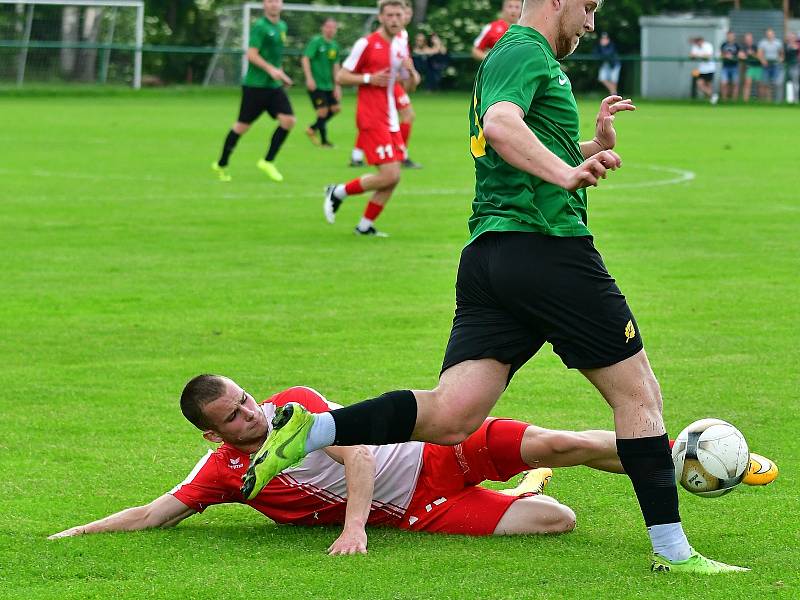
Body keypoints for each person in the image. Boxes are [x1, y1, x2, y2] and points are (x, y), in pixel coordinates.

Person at [245, 0, 752, 575]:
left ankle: (316, 429)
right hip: (549, 250)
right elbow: (501, 126)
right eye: (587, 8)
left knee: (451, 416)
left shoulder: (513, 55)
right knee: (638, 397)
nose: (590, 24)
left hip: (491, 258)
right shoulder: (523, 50)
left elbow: (506, 145)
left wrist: (586, 147)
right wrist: (567, 174)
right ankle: (673, 553)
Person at [48, 376, 626, 551]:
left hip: (434, 445)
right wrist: (75, 531)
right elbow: (153, 514)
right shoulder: (223, 474)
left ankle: (664, 454)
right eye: (234, 417)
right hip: (422, 510)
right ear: (212, 433)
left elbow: (356, 457)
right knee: (557, 520)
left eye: (246, 401)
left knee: (560, 444)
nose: (251, 415)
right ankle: (523, 494)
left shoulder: (294, 409)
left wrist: (353, 531)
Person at [323, 0, 420, 237]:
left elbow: (410, 86)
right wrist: (368, 79)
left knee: (393, 179)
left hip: (390, 119)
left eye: (399, 14)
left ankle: (364, 226)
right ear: (380, 17)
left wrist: (412, 71)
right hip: (371, 117)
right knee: (390, 174)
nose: (395, 19)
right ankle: (338, 192)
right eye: (390, 15)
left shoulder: (400, 43)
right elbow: (342, 77)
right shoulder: (366, 44)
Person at [211, 0, 295, 183]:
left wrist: (280, 74)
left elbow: (274, 57)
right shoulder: (260, 27)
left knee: (288, 120)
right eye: (270, 1)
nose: (274, 4)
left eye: (277, 1)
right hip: (255, 86)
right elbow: (252, 54)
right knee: (242, 127)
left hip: (273, 86)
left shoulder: (282, 26)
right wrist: (270, 70)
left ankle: (268, 161)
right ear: (264, 4)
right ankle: (221, 164)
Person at [351, 3, 422, 169]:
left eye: (405, 13)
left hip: (393, 84)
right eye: (403, 13)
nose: (406, 16)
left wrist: (409, 72)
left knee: (402, 116)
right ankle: (400, 154)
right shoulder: (377, 41)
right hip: (385, 85)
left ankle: (361, 155)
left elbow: (406, 70)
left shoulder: (402, 35)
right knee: (400, 116)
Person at [302, 18, 342, 148]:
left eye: (333, 27)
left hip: (328, 85)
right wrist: (309, 78)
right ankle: (324, 142)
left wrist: (337, 86)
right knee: (323, 111)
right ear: (323, 28)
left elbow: (336, 67)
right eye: (328, 27)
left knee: (336, 109)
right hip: (316, 85)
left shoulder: (335, 46)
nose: (330, 30)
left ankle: (313, 128)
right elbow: (305, 58)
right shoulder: (316, 42)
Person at [758, 28, 784, 103]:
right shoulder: (762, 43)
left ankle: (777, 101)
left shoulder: (778, 42)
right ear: (766, 35)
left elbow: (782, 54)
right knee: (765, 83)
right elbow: (759, 54)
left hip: (776, 66)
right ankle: (767, 101)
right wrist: (763, 60)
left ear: (773, 34)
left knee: (776, 83)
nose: (769, 35)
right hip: (766, 66)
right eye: (768, 34)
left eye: (771, 34)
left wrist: (781, 59)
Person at [689, 36, 717, 104]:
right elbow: (691, 56)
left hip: (710, 69)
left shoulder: (708, 45)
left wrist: (697, 55)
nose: (698, 43)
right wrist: (699, 55)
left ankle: (710, 101)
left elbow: (707, 56)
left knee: (709, 85)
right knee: (699, 85)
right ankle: (713, 96)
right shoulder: (695, 47)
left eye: (699, 41)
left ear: (702, 41)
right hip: (701, 69)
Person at [719, 31, 741, 101]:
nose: (730, 37)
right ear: (727, 36)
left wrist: (734, 56)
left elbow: (740, 55)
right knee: (724, 83)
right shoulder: (723, 45)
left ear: (734, 37)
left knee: (735, 84)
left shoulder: (737, 45)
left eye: (731, 36)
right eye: (729, 36)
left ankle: (734, 100)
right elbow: (721, 55)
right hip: (725, 67)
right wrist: (725, 56)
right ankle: (724, 100)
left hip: (734, 67)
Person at [741, 32, 760, 102]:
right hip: (750, 67)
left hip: (758, 67)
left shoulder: (756, 47)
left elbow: (760, 57)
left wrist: (752, 54)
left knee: (759, 85)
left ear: (752, 39)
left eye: (749, 38)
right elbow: (741, 55)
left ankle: (760, 101)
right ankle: (745, 101)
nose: (748, 40)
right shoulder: (743, 47)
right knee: (747, 84)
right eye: (746, 39)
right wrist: (743, 55)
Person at [785, 32, 799, 103]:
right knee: (783, 83)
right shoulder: (786, 45)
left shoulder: (798, 45)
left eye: (793, 37)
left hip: (795, 66)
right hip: (787, 66)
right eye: (790, 37)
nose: (791, 38)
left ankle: (796, 100)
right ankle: (787, 100)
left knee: (795, 83)